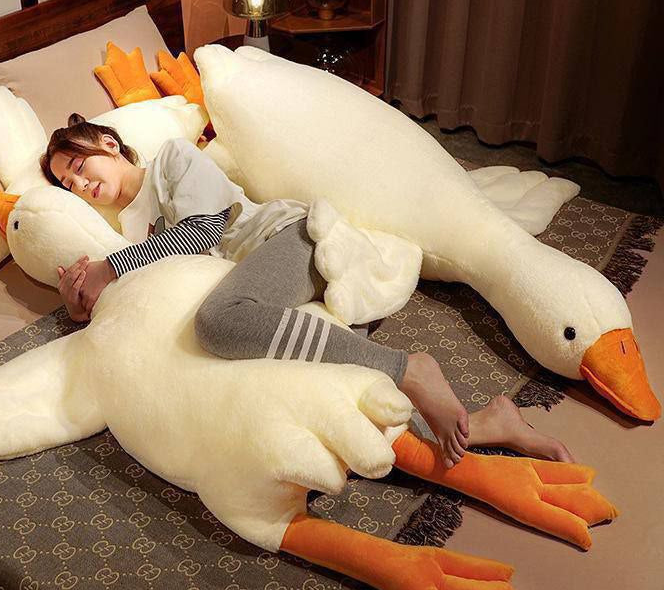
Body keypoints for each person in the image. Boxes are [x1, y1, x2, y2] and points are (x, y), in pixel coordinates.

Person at [41, 115, 574, 468]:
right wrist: (82, 305)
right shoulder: (128, 231)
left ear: (109, 145)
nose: (80, 185)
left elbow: (202, 233)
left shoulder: (172, 161)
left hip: (287, 239)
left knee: (218, 323)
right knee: (341, 409)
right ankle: (489, 423)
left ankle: (411, 368)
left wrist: (111, 268)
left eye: (80, 167)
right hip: (262, 299)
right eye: (68, 185)